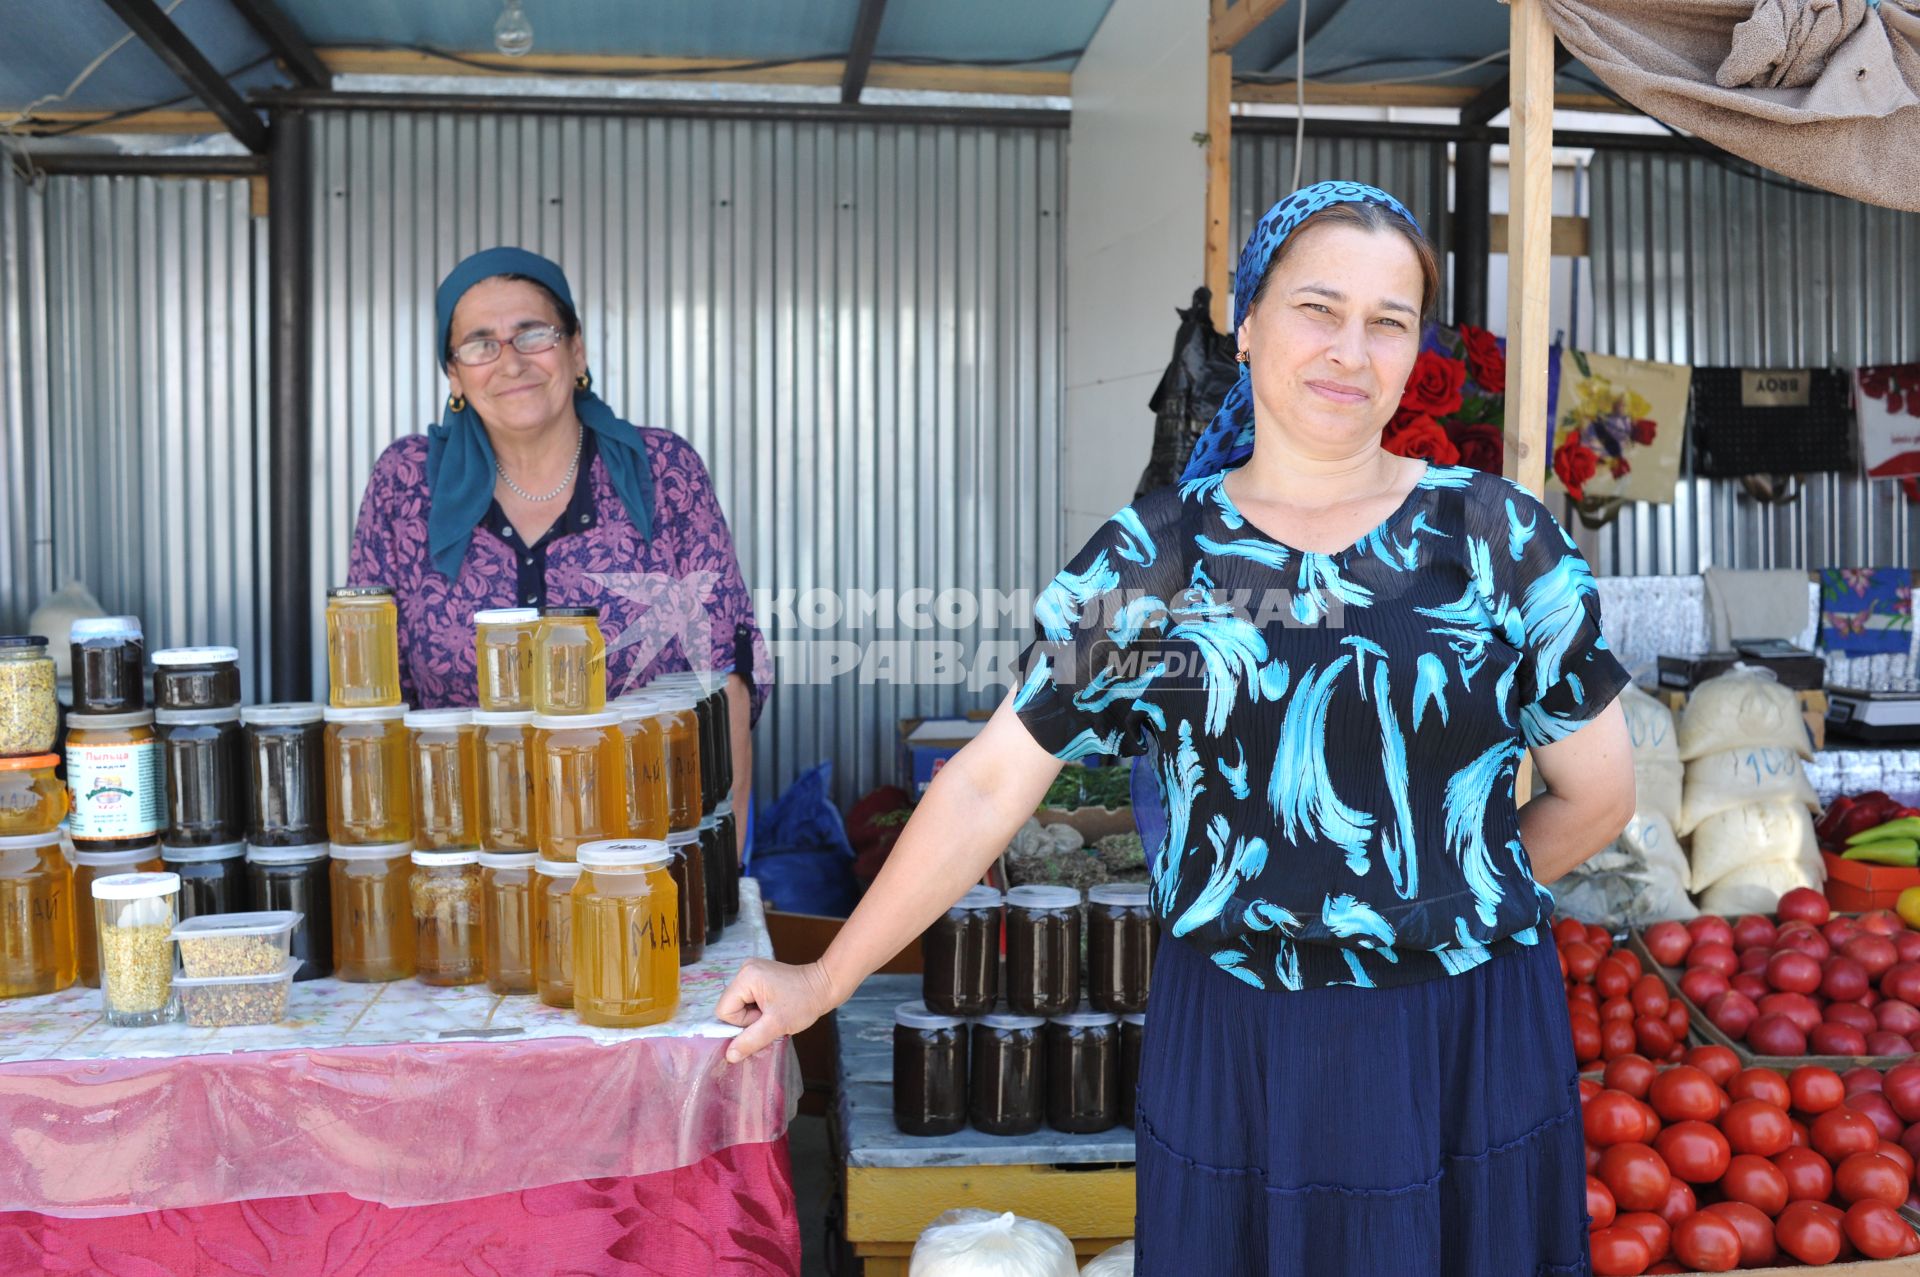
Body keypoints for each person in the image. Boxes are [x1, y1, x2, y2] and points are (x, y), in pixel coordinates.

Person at [717, 182, 1635, 1275]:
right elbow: (985, 785)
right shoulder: (1156, 559)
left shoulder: (1494, 538)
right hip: (1243, 1041)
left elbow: (1598, 794)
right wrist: (826, 978)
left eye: (1389, 321)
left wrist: (1432, 897)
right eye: (1317, 308)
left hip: (1462, 1038)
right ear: (1246, 323)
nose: (1351, 349)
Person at [346, 247, 769, 821]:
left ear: (576, 350)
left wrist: (725, 869)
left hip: (640, 855)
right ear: (454, 374)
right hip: (462, 856)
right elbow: (372, 692)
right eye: (480, 344)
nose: (510, 361)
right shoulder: (406, 483)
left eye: (532, 334)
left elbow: (724, 676)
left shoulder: (663, 470)